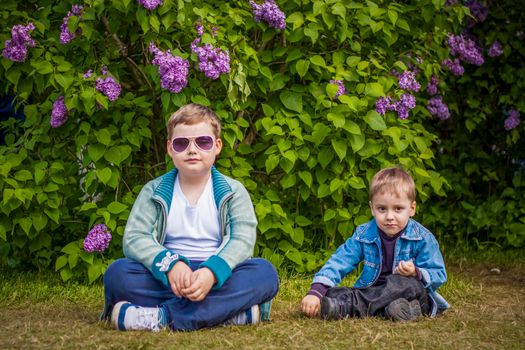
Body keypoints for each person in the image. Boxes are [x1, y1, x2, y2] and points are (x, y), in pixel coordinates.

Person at [102, 103, 279, 331]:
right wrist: (170, 265)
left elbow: (242, 241)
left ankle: (162, 317)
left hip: (216, 276)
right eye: (181, 143)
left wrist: (210, 273)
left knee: (264, 273)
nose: (192, 150)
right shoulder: (153, 191)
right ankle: (227, 314)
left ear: (217, 146)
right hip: (169, 277)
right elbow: (135, 238)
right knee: (118, 274)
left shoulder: (234, 191)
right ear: (170, 148)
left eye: (203, 142)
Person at [300, 166, 449, 321]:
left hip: (413, 293)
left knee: (403, 284)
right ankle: (394, 311)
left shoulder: (422, 238)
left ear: (412, 209)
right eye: (382, 209)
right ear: (372, 208)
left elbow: (439, 274)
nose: (389, 216)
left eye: (398, 209)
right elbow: (340, 260)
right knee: (330, 293)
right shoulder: (365, 234)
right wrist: (316, 291)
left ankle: (348, 306)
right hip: (375, 291)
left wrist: (416, 272)